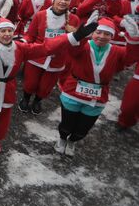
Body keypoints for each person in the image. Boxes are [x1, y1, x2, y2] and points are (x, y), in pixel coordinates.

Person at [0, 17, 97, 155]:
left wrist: (74, 36)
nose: (7, 34)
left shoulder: (20, 48)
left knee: (2, 123)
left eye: (9, 31)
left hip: (8, 89)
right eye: (3, 31)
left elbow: (46, 47)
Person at [54, 16, 139, 156]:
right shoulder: (84, 46)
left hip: (97, 98)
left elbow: (130, 58)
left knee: (83, 129)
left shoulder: (117, 51)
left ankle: (73, 141)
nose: (102, 36)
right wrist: (82, 35)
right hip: (73, 92)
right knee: (66, 125)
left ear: (112, 36)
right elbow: (73, 49)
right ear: (92, 33)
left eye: (107, 33)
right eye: (98, 32)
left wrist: (134, 39)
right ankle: (63, 139)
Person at [19, 0, 80, 114]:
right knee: (30, 82)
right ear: (53, 0)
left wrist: (75, 34)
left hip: (57, 59)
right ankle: (25, 98)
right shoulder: (41, 15)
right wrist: (22, 44)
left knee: (45, 86)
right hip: (37, 55)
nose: (63, 2)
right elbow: (30, 36)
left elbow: (74, 44)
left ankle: (37, 101)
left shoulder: (74, 20)